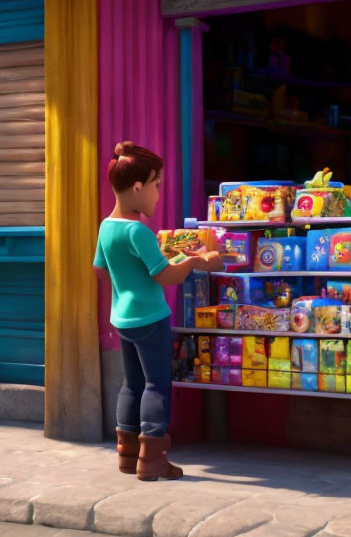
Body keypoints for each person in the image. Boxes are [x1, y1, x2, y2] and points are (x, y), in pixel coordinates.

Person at [93, 141, 223, 481]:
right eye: (156, 185)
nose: (157, 194)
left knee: (131, 384)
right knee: (156, 385)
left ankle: (127, 454)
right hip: (150, 317)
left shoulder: (107, 227)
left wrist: (132, 277)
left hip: (122, 317)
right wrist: (196, 260)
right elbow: (165, 276)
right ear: (137, 187)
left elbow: (100, 269)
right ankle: (152, 459)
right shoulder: (138, 231)